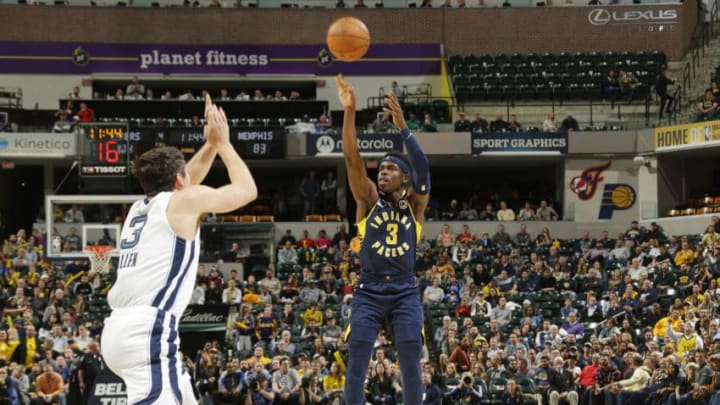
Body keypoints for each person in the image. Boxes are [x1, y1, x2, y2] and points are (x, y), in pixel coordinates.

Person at [100, 94, 258, 404]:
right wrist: (223, 143)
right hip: (147, 330)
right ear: (178, 179)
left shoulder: (139, 208)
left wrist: (209, 144)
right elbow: (247, 190)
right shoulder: (179, 202)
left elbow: (188, 180)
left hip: (119, 329)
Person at [335, 74, 430, 405]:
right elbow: (352, 158)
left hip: (405, 289)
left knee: (411, 366)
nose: (383, 172)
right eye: (381, 168)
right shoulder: (368, 199)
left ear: (404, 178)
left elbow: (424, 167)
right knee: (356, 367)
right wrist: (349, 112)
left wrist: (403, 127)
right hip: (369, 290)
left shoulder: (414, 206)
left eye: (391, 169)